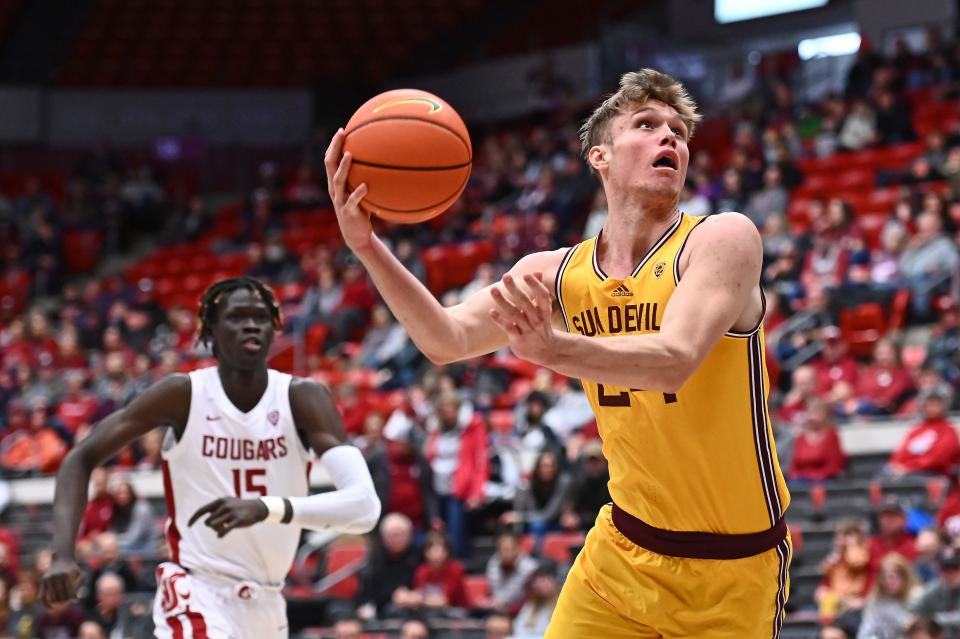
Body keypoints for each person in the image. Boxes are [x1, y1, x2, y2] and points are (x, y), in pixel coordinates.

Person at [329, 67, 790, 635]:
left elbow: (675, 358)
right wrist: (366, 245)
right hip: (623, 553)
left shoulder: (722, 239)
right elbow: (445, 340)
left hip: (733, 566)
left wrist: (553, 350)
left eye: (678, 131)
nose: (669, 136)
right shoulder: (554, 273)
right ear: (598, 156)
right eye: (646, 124)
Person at [41, 277, 381, 639]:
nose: (252, 324)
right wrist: (62, 554)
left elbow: (364, 508)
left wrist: (266, 508)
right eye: (237, 317)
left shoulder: (303, 399)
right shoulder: (183, 395)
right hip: (198, 590)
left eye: (262, 317)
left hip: (268, 603)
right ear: (210, 332)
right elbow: (81, 457)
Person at [856, 553, 920, 639]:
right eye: (884, 578)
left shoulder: (917, 597)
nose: (889, 582)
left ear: (905, 577)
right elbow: (864, 634)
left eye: (893, 577)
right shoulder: (877, 601)